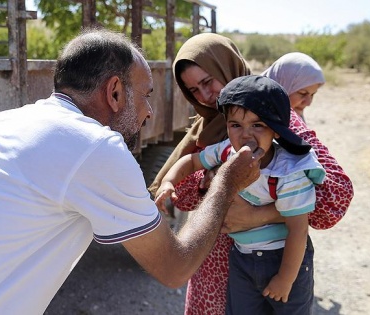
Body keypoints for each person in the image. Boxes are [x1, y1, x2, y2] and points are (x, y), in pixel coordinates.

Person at [0, 29, 264, 314]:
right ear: (114, 92)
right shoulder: (94, 146)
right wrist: (228, 180)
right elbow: (175, 267)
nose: (149, 113)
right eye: (145, 96)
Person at [148, 33, 354, 315]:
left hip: (266, 265)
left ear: (227, 66)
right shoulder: (207, 128)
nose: (206, 96)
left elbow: (335, 198)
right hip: (213, 267)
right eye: (193, 90)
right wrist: (215, 179)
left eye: (208, 81)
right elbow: (183, 196)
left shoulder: (270, 116)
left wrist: (260, 215)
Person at [156, 75, 325, 314]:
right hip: (242, 260)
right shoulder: (227, 151)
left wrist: (285, 279)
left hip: (283, 259)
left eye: (258, 125)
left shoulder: (288, 171)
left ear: (276, 130)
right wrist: (169, 181)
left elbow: (298, 229)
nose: (245, 135)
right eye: (235, 125)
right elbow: (191, 160)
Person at [262, 52, 326, 121]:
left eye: (312, 94)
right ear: (282, 85)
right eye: (303, 93)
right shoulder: (254, 119)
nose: (308, 103)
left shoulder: (294, 121)